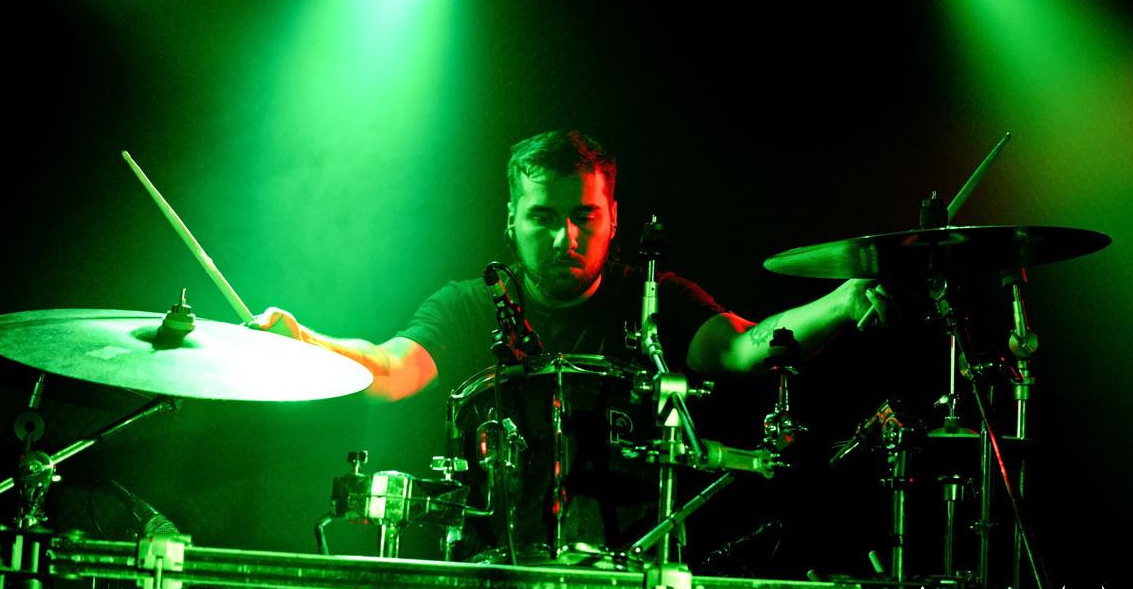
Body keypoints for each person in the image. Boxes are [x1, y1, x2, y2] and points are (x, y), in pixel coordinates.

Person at [253, 129, 888, 401]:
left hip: (634, 573)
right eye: (543, 217)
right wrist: (308, 343)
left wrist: (841, 300)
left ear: (613, 218)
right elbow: (393, 370)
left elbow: (744, 349)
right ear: (510, 220)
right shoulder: (470, 305)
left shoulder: (654, 297)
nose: (565, 238)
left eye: (584, 216)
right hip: (498, 569)